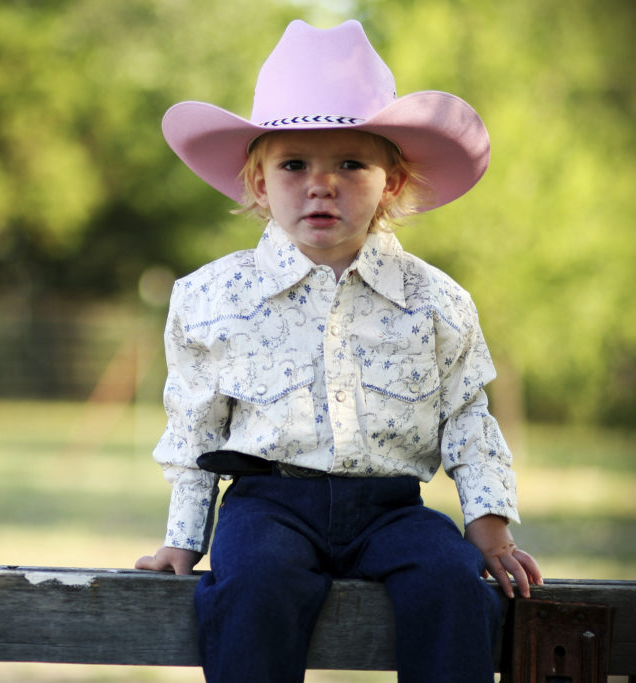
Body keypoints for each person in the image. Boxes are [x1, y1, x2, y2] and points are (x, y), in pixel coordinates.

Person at [134, 19, 543, 683]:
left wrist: (490, 527)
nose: (321, 184)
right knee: (253, 589)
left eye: (351, 164)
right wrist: (183, 539)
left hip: (390, 506)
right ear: (260, 183)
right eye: (294, 164)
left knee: (452, 584)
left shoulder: (435, 302)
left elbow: (468, 416)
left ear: (394, 180)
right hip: (269, 503)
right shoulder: (213, 299)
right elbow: (195, 428)